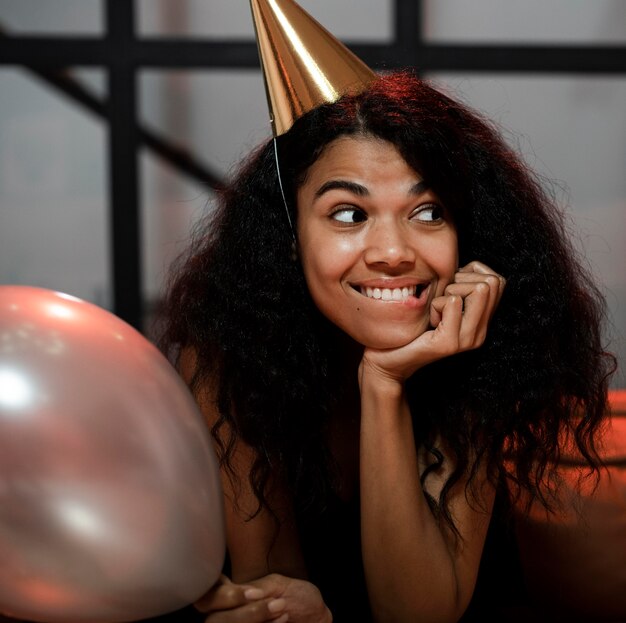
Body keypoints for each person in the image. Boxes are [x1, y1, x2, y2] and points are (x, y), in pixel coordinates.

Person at [159, 3, 615, 621]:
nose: (395, 253)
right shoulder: (231, 363)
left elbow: (421, 612)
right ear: (289, 240)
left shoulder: (477, 362)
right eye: (349, 215)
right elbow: (272, 597)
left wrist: (384, 382)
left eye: (428, 213)